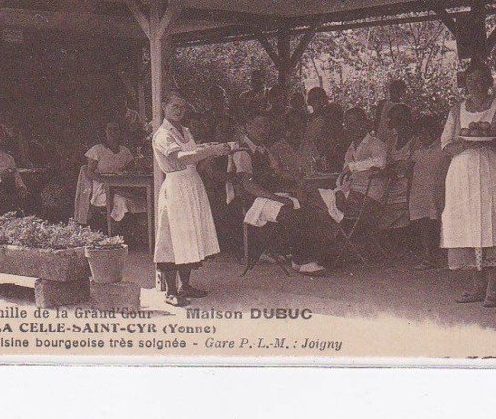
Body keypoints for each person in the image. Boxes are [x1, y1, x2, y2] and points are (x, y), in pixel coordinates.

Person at [441, 59, 496, 307]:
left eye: (480, 80)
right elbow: (445, 144)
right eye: (470, 80)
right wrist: (464, 142)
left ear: (489, 82)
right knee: (468, 224)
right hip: (463, 173)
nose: (475, 85)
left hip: (493, 171)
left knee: (493, 222)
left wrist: (491, 138)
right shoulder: (456, 110)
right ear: (465, 83)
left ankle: (493, 288)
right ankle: (477, 286)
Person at [153, 92, 233, 306]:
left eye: (182, 107)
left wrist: (213, 153)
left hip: (192, 184)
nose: (179, 111)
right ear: (164, 106)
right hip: (176, 186)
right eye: (174, 106)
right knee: (173, 236)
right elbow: (179, 158)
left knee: (190, 234)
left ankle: (185, 285)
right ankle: (171, 291)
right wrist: (209, 150)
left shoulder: (186, 131)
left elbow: (195, 159)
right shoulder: (162, 134)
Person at [229, 113, 325, 274]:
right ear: (247, 126)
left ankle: (299, 259)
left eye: (266, 126)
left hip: (269, 197)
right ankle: (303, 260)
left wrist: (296, 182)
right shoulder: (243, 151)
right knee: (291, 213)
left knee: (308, 207)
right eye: (258, 126)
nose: (263, 130)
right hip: (255, 200)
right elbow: (248, 185)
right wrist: (276, 197)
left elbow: (279, 172)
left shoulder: (264, 150)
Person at [85, 122, 146, 227]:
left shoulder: (125, 151)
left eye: (116, 129)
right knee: (122, 201)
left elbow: (132, 170)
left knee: (141, 200)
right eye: (110, 129)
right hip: (103, 190)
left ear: (120, 132)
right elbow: (89, 172)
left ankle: (136, 229)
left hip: (122, 188)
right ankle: (115, 228)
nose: (113, 132)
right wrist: (107, 181)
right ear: (105, 132)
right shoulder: (97, 150)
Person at [409, 115, 450, 269]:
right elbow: (409, 171)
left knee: (440, 222)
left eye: (426, 131)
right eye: (420, 132)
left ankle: (445, 256)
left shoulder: (443, 149)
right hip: (420, 192)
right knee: (423, 223)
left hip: (439, 190)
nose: (423, 135)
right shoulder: (417, 151)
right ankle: (427, 256)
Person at [333, 107, 388, 219]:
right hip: (353, 194)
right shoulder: (351, 148)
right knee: (319, 199)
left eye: (354, 124)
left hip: (370, 197)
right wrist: (339, 191)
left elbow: (380, 162)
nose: (350, 128)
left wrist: (353, 166)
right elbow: (344, 177)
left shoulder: (375, 144)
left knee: (325, 201)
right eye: (347, 125)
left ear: (363, 124)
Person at [378, 103, 416, 231]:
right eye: (394, 119)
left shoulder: (416, 141)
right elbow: (384, 162)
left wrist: (395, 168)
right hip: (389, 190)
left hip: (408, 191)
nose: (398, 123)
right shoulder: (391, 140)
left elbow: (413, 166)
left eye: (400, 119)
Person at [269, 111, 321, 186]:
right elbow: (277, 173)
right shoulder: (276, 148)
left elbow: (319, 166)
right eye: (292, 125)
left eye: (300, 125)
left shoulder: (310, 145)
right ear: (286, 128)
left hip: (312, 187)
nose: (296, 129)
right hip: (288, 188)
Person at [0, 127, 28, 214]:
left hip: (9, 192)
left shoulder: (9, 158)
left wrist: (21, 186)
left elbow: (16, 175)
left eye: (1, 137)